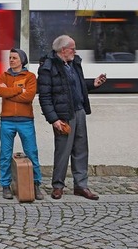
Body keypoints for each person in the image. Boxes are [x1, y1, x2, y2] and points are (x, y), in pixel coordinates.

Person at [37, 35, 107, 200]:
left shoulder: (74, 63)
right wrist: (53, 119)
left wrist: (93, 84)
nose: (75, 52)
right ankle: (58, 186)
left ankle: (81, 186)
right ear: (63, 50)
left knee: (81, 150)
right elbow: (44, 97)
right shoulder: (48, 67)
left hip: (79, 111)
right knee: (63, 151)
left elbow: (78, 85)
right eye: (73, 49)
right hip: (63, 116)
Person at [0, 49, 44, 200]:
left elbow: (28, 96)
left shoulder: (30, 77)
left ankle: (36, 184)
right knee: (5, 154)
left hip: (25, 120)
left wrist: (9, 92)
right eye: (10, 58)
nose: (11, 60)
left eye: (14, 58)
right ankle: (5, 185)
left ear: (22, 60)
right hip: (7, 120)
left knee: (32, 153)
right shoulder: (4, 75)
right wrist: (18, 89)